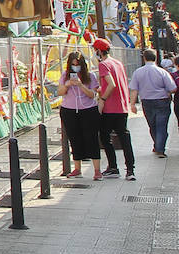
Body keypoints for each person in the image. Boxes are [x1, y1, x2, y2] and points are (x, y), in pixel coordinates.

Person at [93, 38, 136, 180]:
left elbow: (111, 84)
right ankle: (130, 170)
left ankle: (113, 167)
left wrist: (103, 99)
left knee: (105, 137)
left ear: (99, 51)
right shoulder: (118, 63)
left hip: (109, 107)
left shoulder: (103, 65)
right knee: (124, 138)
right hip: (122, 106)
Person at [57, 50, 103, 180]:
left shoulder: (90, 76)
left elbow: (93, 95)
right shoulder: (65, 75)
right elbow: (60, 92)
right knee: (74, 138)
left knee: (91, 138)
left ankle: (97, 170)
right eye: (72, 65)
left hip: (88, 110)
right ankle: (77, 168)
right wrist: (67, 84)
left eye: (77, 64)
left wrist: (81, 85)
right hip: (69, 110)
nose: (75, 67)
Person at [130, 49, 177, 157]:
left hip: (146, 102)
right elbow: (173, 88)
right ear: (155, 58)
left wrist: (132, 104)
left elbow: (134, 89)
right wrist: (167, 92)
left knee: (152, 125)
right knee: (162, 125)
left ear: (144, 58)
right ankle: (160, 148)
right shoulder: (162, 72)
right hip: (162, 100)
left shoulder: (138, 72)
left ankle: (157, 144)